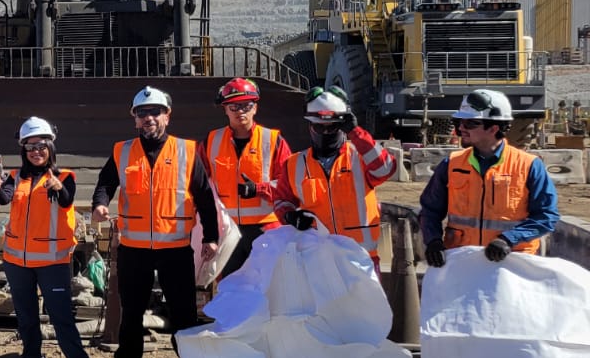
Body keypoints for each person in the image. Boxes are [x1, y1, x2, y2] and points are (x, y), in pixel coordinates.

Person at [91, 86, 220, 358]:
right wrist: (99, 203)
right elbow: (106, 183)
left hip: (175, 249)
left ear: (167, 115)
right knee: (131, 314)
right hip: (134, 250)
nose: (149, 118)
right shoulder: (122, 151)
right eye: (142, 113)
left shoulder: (187, 151)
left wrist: (212, 237)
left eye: (155, 112)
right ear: (134, 119)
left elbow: (204, 197)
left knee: (184, 316)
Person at [0, 117, 106, 358]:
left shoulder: (65, 177)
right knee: (27, 318)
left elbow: (66, 199)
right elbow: (1, 198)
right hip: (18, 263)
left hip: (53, 263)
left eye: (41, 145)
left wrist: (56, 186)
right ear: (23, 151)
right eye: (30, 147)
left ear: (50, 148)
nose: (36, 151)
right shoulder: (14, 178)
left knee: (61, 318)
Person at [419, 89, 559, 267]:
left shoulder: (529, 166)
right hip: (462, 261)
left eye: (470, 123)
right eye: (459, 122)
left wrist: (508, 240)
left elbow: (546, 216)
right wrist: (433, 241)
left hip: (511, 265)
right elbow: (429, 210)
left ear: (493, 128)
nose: (461, 128)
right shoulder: (451, 164)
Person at [269, 86, 398, 269]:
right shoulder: (294, 164)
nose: (326, 133)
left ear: (342, 126)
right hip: (317, 258)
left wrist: (356, 132)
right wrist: (290, 215)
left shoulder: (360, 158)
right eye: (319, 127)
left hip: (360, 258)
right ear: (310, 126)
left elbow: (385, 169)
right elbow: (281, 200)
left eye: (332, 127)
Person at [201, 78, 292, 280]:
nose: (240, 111)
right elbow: (198, 184)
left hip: (266, 229)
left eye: (246, 105)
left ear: (255, 108)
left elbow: (289, 186)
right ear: (225, 109)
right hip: (227, 231)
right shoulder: (211, 141)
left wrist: (259, 189)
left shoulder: (273, 140)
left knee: (268, 288)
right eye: (234, 106)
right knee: (228, 288)